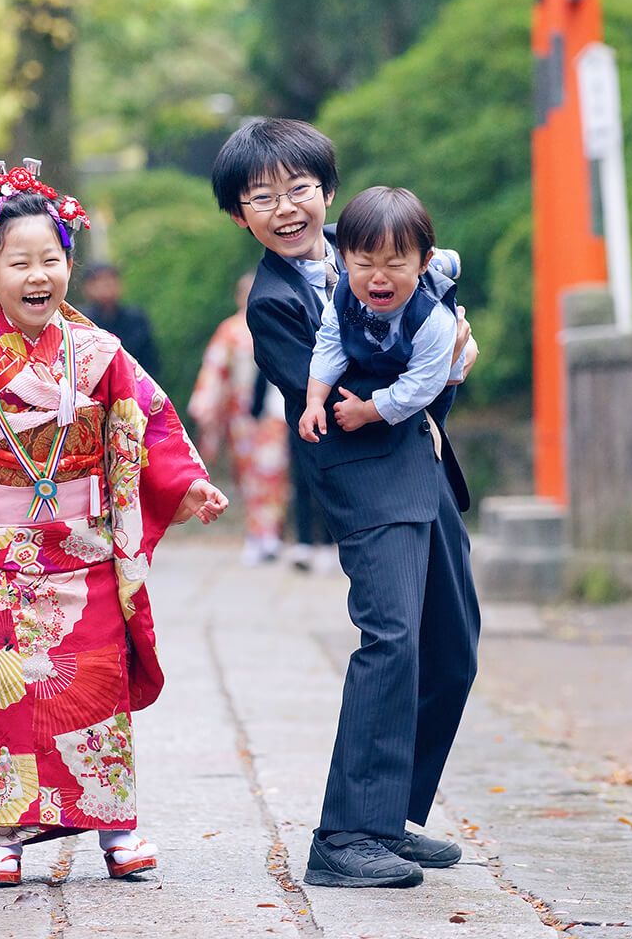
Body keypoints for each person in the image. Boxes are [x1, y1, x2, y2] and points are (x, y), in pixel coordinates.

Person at [0, 160, 227, 889]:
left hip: (84, 553)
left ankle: (116, 829)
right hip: (0, 559)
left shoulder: (100, 355)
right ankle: (2, 832)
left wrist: (183, 482)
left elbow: (144, 424)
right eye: (18, 261)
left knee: (96, 691)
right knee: (9, 700)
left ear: (70, 266)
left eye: (52, 259)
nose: (39, 275)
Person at [211, 118, 480, 890]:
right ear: (240, 215)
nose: (286, 207)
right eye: (262, 197)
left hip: (422, 466)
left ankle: (387, 814)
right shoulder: (269, 304)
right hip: (365, 480)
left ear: (326, 191)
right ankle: (346, 836)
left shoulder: (370, 239)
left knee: (452, 644)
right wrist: (423, 385)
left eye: (298, 188)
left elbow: (434, 309)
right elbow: (333, 398)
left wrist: (452, 360)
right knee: (390, 640)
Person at [298, 186, 464, 446]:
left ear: (422, 261)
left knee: (426, 438)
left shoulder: (432, 317)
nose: (378, 277)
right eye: (364, 264)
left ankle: (441, 266)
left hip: (434, 375)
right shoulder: (345, 294)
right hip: (380, 357)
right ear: (345, 259)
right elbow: (330, 342)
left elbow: (422, 385)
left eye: (394, 265)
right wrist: (315, 401)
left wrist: (367, 411)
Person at [188, 272, 289, 567]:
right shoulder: (231, 330)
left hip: (275, 411)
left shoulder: (278, 324)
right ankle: (256, 534)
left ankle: (271, 534)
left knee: (274, 473)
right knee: (248, 475)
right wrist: (206, 405)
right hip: (242, 413)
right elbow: (215, 370)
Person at [81, 263, 161, 378]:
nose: (106, 285)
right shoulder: (81, 321)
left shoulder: (136, 319)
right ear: (87, 288)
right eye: (99, 280)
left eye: (110, 279)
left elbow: (151, 361)